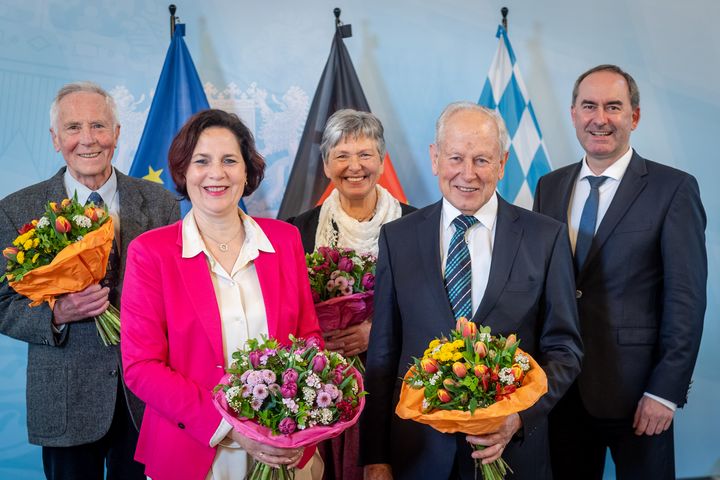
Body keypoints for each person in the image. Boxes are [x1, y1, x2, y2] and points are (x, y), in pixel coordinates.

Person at [359, 102, 582, 480]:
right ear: (434, 158)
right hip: (418, 455)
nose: (468, 173)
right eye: (456, 157)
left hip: (514, 454)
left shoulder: (546, 237)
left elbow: (565, 350)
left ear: (502, 162)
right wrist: (375, 455)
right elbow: (383, 352)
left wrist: (517, 418)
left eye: (482, 160)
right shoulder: (398, 237)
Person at [120, 109, 324, 480]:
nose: (217, 173)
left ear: (247, 171)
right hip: (193, 449)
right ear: (183, 171)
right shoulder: (151, 253)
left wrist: (298, 427)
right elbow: (141, 367)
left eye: (230, 160)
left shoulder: (284, 240)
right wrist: (234, 428)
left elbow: (308, 336)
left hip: (283, 447)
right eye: (202, 161)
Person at [533, 64, 707, 480]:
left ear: (635, 116)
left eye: (614, 106)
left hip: (639, 395)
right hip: (560, 392)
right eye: (589, 106)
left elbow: (686, 300)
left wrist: (665, 392)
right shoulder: (549, 186)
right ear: (573, 113)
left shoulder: (674, 189)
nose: (600, 118)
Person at [0, 81, 180, 479]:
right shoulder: (16, 210)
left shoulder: (162, 204)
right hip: (65, 401)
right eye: (73, 128)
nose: (87, 140)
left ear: (117, 134)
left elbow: (179, 297)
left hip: (147, 401)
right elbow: (2, 303)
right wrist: (57, 313)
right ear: (55, 138)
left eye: (98, 126)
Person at [287, 109, 415, 480]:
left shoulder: (418, 224)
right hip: (322, 393)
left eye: (365, 154)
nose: (354, 166)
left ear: (381, 161)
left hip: (398, 391)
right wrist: (319, 335)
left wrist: (376, 333)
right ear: (326, 164)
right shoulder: (296, 232)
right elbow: (288, 309)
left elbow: (431, 306)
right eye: (341, 155)